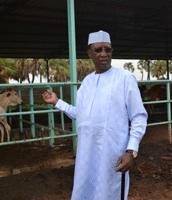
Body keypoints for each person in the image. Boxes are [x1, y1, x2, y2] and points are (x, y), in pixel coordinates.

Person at [42, 30, 148, 200]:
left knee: (110, 193)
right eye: (98, 50)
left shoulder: (125, 78)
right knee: (86, 192)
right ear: (89, 53)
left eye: (108, 49)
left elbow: (139, 116)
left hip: (113, 156)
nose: (104, 54)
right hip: (86, 156)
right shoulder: (86, 82)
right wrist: (57, 102)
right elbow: (80, 114)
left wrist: (131, 150)